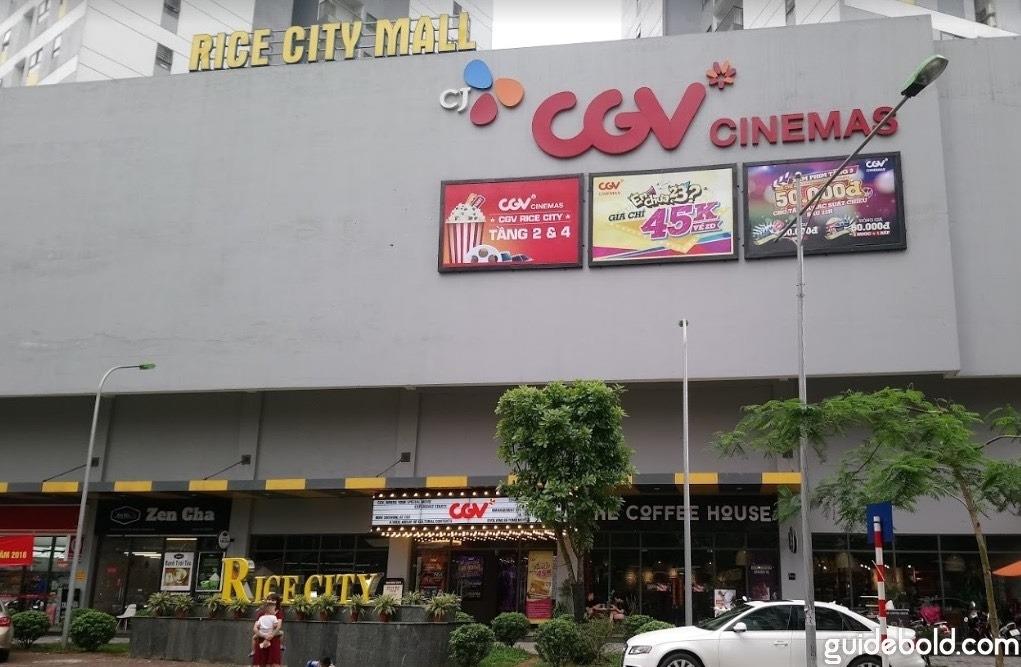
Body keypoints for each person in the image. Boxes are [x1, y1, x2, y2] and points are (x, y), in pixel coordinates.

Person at [251, 594, 284, 667]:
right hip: (261, 639)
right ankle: (253, 651)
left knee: (274, 663)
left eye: (273, 600)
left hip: (274, 640)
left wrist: (270, 636)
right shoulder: (261, 613)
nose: (270, 601)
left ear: (277, 602)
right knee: (260, 662)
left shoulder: (279, 613)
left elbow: (278, 627)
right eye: (269, 599)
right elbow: (255, 628)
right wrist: (264, 636)